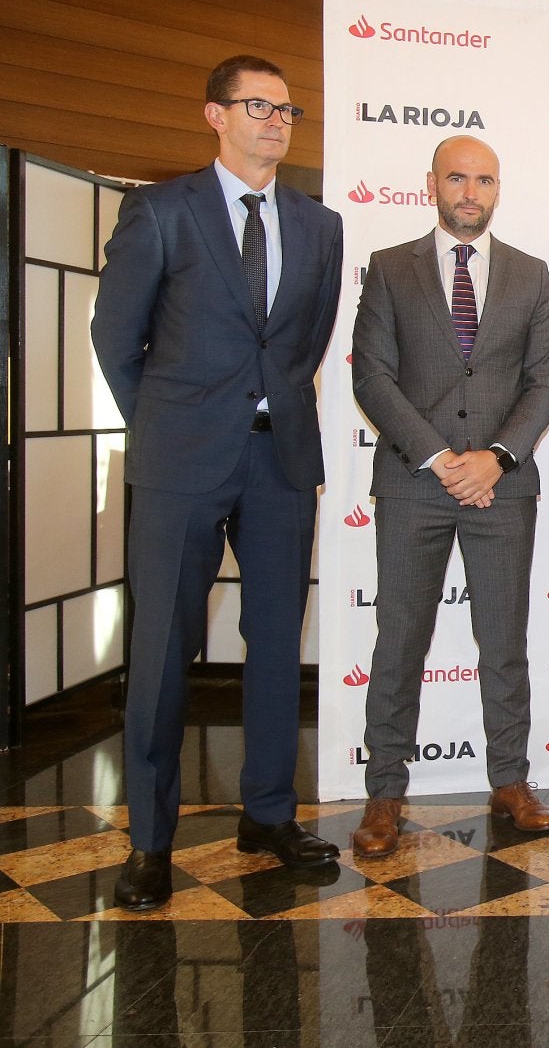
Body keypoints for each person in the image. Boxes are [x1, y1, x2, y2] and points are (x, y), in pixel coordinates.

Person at [91, 54, 344, 911]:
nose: (275, 122)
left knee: (275, 645)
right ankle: (149, 841)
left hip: (281, 463)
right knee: (163, 651)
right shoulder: (161, 210)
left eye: (286, 110)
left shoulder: (319, 224)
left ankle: (268, 816)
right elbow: (115, 338)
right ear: (216, 115)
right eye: (258, 106)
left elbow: (303, 341)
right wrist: (167, 425)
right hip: (181, 465)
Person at [347, 135, 549, 856]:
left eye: (485, 180)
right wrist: (441, 459)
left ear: (499, 189)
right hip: (414, 483)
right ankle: (385, 793)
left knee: (503, 640)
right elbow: (372, 377)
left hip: (503, 486)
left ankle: (510, 782)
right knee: (400, 640)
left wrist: (495, 459)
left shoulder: (530, 274)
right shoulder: (389, 268)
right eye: (458, 178)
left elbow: (544, 382)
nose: (471, 192)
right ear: (432, 184)